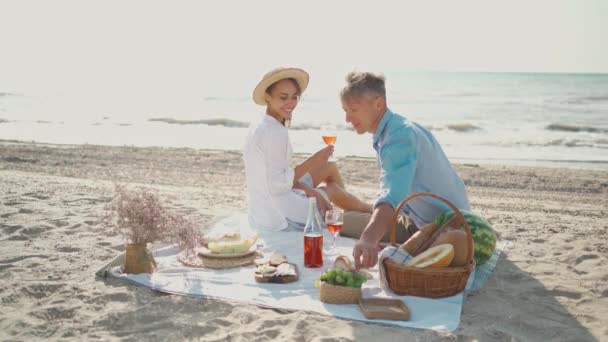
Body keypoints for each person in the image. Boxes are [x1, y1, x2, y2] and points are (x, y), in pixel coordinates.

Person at [337, 71, 471, 269]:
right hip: (423, 218)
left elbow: (392, 195)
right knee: (339, 219)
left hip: (441, 228)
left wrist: (368, 239)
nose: (348, 118)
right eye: (345, 110)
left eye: (353, 109)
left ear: (379, 104)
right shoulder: (400, 127)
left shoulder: (399, 137)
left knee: (341, 226)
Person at [244, 67, 371, 231]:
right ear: (268, 96)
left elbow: (276, 178)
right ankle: (367, 211)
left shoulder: (261, 123)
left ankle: (346, 212)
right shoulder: (275, 132)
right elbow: (277, 185)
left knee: (328, 166)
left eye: (294, 97)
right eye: (283, 97)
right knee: (332, 190)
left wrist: (309, 189)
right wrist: (314, 163)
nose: (290, 103)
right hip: (278, 212)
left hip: (263, 204)